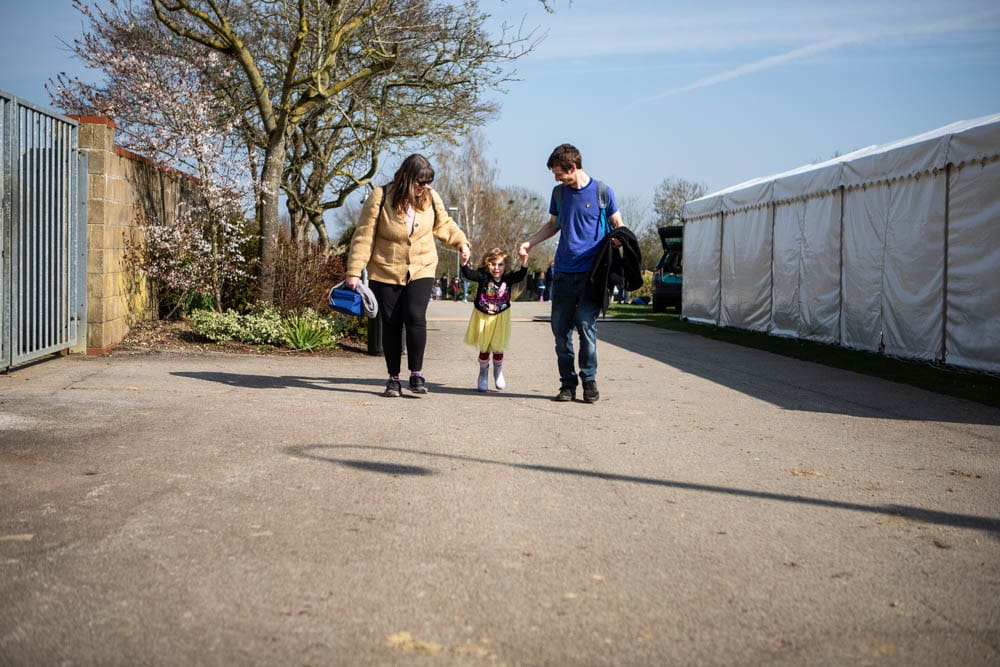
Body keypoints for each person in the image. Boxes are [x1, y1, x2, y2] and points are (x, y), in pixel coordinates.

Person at [345, 154, 470, 397]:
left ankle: (416, 373)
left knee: (414, 316)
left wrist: (461, 243)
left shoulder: (431, 198)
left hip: (422, 267)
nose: (424, 187)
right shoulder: (380, 198)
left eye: (427, 182)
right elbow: (364, 236)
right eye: (420, 182)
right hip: (385, 269)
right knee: (390, 323)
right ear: (405, 177)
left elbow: (444, 224)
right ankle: (393, 378)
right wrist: (353, 271)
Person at [517, 143, 625, 403]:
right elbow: (553, 225)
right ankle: (567, 384)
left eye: (559, 173)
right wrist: (530, 242)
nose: (556, 179)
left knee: (587, 327)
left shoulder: (602, 192)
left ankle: (589, 380)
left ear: (573, 168)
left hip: (591, 275)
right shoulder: (559, 194)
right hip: (563, 272)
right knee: (560, 331)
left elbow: (619, 225)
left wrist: (618, 240)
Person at [461, 247, 528, 392]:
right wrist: (464, 262)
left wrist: (524, 261)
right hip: (483, 315)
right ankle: (483, 373)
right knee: (485, 346)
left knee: (498, 346)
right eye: (493, 264)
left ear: (505, 265)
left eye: (500, 264)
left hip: (500, 316)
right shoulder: (483, 275)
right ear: (487, 264)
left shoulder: (508, 278)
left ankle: (498, 371)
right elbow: (468, 274)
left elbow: (521, 275)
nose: (496, 268)